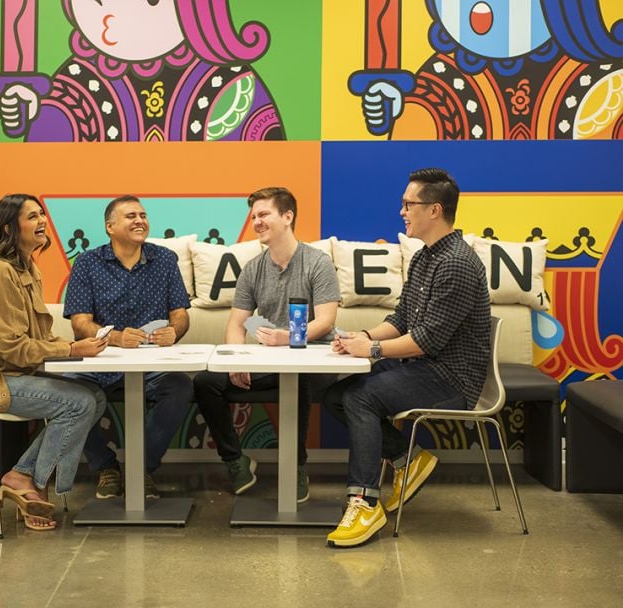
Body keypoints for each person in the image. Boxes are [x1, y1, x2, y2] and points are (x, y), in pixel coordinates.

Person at [324, 168, 491, 547]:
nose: (401, 211)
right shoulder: (425, 258)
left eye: (408, 204)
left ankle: (365, 503)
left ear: (434, 210)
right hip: (422, 368)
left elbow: (427, 341)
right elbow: (402, 319)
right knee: (335, 394)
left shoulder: (458, 264)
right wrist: (363, 337)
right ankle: (407, 459)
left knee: (359, 397)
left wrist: (373, 350)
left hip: (451, 379)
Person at [0, 194, 108, 531]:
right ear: (9, 227)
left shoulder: (27, 268)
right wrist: (73, 348)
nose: (42, 222)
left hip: (5, 374)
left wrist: (75, 346)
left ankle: (22, 475)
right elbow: (10, 347)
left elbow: (36, 336)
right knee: (78, 403)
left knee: (95, 396)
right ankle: (28, 482)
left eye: (42, 215)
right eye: (32, 216)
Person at [193, 187, 340, 502]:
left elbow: (326, 321)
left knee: (296, 378)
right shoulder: (253, 269)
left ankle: (296, 467)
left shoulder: (318, 262)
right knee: (206, 381)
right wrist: (235, 360)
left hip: (316, 361)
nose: (256, 222)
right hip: (271, 361)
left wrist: (289, 337)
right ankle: (235, 461)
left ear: (287, 217)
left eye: (264, 214)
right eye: (254, 216)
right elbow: (236, 323)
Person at [64, 195, 193, 500]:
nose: (140, 220)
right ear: (110, 227)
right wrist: (116, 337)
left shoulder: (164, 259)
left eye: (143, 215)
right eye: (130, 216)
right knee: (66, 391)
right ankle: (106, 467)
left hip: (152, 365)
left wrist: (174, 331)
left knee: (180, 387)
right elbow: (80, 323)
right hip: (102, 362)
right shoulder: (87, 263)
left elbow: (181, 314)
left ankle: (141, 468)